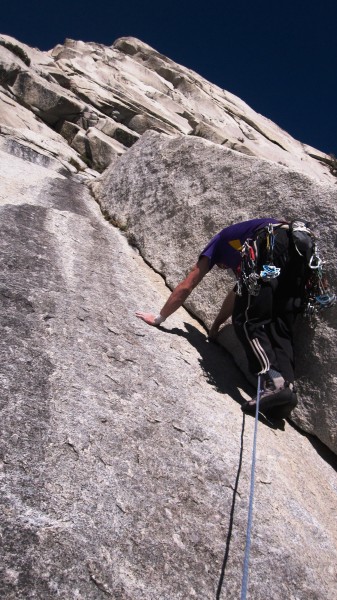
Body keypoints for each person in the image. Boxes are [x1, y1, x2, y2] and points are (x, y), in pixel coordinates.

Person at [136, 217, 312, 419]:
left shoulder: (218, 242)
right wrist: (217, 324)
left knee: (248, 320)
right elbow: (239, 292)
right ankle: (287, 393)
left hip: (271, 241)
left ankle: (273, 381)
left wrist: (159, 318)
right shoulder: (243, 256)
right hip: (301, 248)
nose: (221, 268)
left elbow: (188, 284)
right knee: (279, 324)